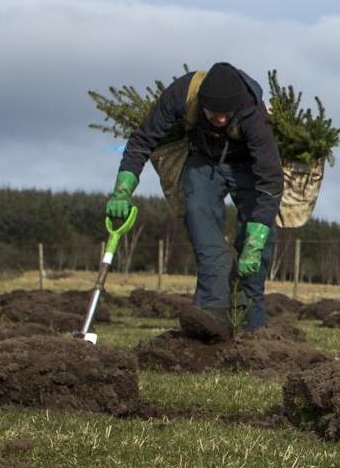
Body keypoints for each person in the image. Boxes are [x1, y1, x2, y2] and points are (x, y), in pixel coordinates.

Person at [105, 63, 283, 329]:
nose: (221, 120)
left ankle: (251, 333)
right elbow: (141, 142)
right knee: (202, 229)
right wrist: (122, 192)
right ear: (201, 104)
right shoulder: (181, 94)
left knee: (257, 250)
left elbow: (270, 181)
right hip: (203, 161)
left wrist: (254, 246)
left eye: (227, 114)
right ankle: (210, 324)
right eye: (214, 113)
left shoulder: (252, 112)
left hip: (249, 167)